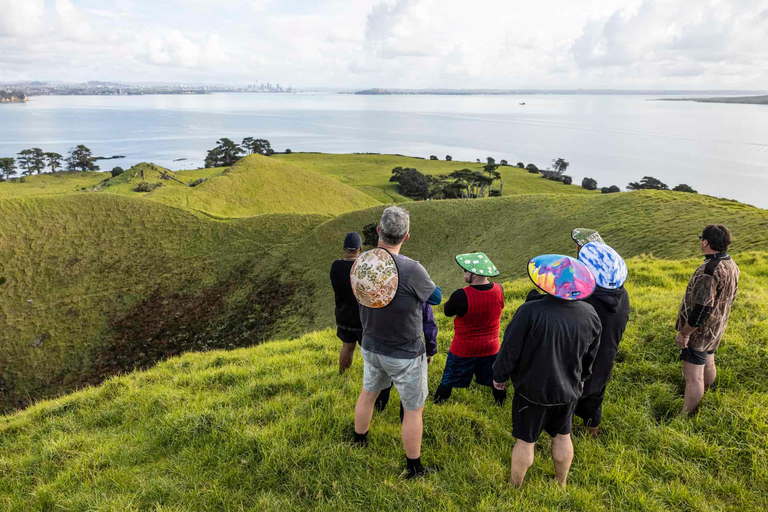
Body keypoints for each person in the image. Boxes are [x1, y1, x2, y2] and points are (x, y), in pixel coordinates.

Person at [493, 255, 601, 488]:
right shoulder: (590, 314)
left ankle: (515, 487)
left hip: (532, 391)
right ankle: (561, 483)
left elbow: (509, 350)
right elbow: (591, 354)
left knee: (525, 441)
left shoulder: (529, 312)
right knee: (563, 435)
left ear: (547, 281)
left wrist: (498, 377)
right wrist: (583, 378)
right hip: (568, 389)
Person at [352, 206, 442, 479]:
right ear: (407, 237)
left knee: (369, 392)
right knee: (414, 410)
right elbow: (435, 297)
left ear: (379, 231)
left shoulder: (361, 261)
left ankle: (358, 440)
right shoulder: (412, 269)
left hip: (370, 344)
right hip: (405, 351)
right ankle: (414, 467)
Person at [676, 225, 739, 415]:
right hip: (717, 326)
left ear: (705, 242)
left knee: (692, 377)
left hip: (700, 331)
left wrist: (685, 333)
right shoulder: (731, 264)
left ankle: (686, 415)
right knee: (709, 360)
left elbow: (702, 308)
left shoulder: (708, 271)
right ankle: (706, 393)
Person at [573, 241, 631, 436]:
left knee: (568, 398)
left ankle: (561, 435)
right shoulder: (623, 297)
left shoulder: (585, 302)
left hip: (578, 361)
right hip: (605, 357)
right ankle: (592, 433)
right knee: (596, 396)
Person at [434, 252, 506, 406]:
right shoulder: (499, 290)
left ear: (474, 273)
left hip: (464, 348)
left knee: (448, 379)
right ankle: (501, 405)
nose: (464, 273)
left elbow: (447, 312)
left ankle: (437, 404)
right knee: (496, 380)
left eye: (465, 270)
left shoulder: (460, 295)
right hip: (491, 347)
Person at [374, 302, 438, 420]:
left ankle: (378, 409)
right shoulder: (419, 293)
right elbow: (429, 325)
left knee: (385, 381)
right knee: (410, 389)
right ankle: (405, 419)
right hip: (410, 351)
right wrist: (431, 350)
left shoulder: (382, 291)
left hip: (384, 347)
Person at [329, 232, 363, 374]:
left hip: (343, 316)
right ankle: (370, 381)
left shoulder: (336, 266)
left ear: (344, 248)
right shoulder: (362, 268)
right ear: (360, 248)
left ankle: (342, 375)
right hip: (362, 319)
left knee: (347, 348)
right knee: (368, 352)